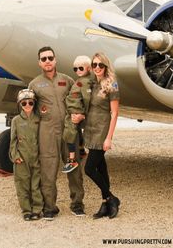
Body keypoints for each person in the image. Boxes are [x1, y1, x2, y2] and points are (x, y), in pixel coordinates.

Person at [29, 46, 85, 220]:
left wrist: (81, 115)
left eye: (50, 58)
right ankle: (50, 208)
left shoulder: (67, 80)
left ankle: (77, 205)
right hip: (47, 132)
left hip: (69, 131)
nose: (47, 61)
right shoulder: (34, 84)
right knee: (48, 169)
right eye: (44, 59)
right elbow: (29, 112)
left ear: (55, 60)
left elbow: (78, 100)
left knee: (73, 166)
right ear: (39, 62)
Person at [73, 52, 120, 219]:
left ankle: (112, 198)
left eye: (101, 65)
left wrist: (109, 138)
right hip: (91, 130)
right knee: (101, 167)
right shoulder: (92, 84)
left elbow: (114, 113)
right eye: (95, 65)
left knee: (89, 169)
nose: (97, 68)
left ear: (106, 67)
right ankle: (105, 203)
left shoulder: (111, 85)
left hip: (102, 132)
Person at [9, 89, 43, 221]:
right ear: (20, 105)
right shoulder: (16, 120)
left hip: (36, 157)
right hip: (22, 158)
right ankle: (26, 211)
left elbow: (42, 138)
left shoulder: (38, 119)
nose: (27, 105)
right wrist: (15, 156)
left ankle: (37, 209)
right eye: (24, 103)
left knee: (36, 185)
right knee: (22, 185)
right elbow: (13, 141)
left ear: (34, 103)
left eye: (30, 103)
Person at [62, 55, 93, 174]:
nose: (78, 71)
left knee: (69, 133)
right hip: (72, 111)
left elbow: (87, 99)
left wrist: (83, 115)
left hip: (76, 112)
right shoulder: (80, 82)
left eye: (81, 68)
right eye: (75, 69)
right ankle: (80, 151)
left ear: (89, 69)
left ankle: (72, 159)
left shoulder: (84, 83)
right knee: (73, 133)